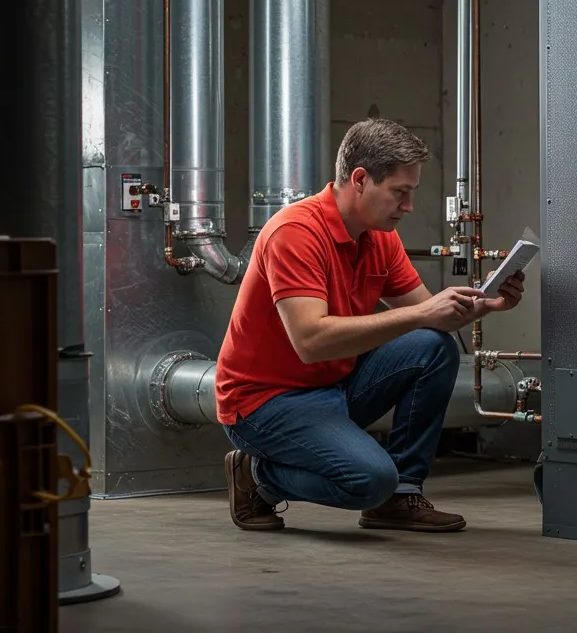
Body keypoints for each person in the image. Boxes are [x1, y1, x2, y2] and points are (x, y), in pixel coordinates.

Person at [213, 116, 524, 534]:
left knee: (433, 347)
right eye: (400, 193)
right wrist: (423, 315)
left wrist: (487, 304)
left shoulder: (380, 236)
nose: (409, 206)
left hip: (333, 383)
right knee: (370, 479)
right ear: (360, 179)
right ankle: (257, 477)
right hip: (266, 402)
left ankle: (401, 496)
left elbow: (429, 317)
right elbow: (311, 341)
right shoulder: (295, 233)